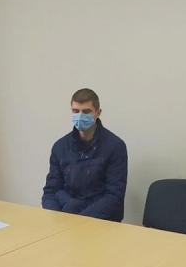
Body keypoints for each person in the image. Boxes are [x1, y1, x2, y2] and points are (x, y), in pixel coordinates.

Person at [42, 88, 128, 221]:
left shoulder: (115, 147)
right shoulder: (60, 147)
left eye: (86, 111)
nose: (80, 116)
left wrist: (80, 220)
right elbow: (51, 191)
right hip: (65, 218)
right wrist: (56, 217)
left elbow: (114, 196)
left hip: (101, 222)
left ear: (98, 113)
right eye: (76, 111)